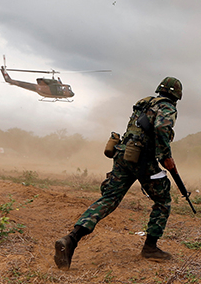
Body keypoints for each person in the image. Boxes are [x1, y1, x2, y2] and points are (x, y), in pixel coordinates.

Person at [54, 76, 183, 270]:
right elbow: (162, 127)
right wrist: (165, 156)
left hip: (123, 155)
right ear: (176, 95)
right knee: (163, 200)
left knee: (109, 199)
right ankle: (150, 248)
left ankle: (71, 239)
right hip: (142, 160)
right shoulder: (167, 107)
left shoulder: (145, 103)